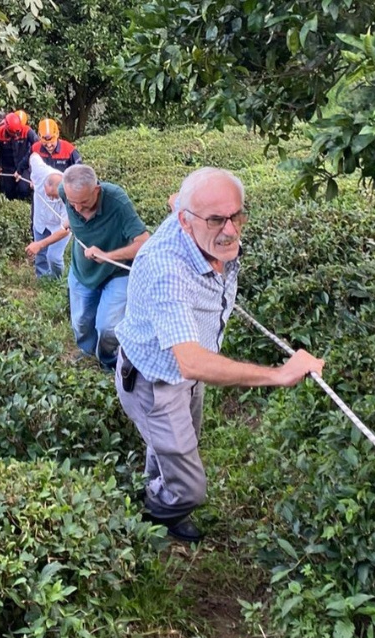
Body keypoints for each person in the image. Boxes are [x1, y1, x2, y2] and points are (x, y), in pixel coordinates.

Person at [114, 168, 325, 543]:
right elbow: (190, 361)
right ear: (186, 221)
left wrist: (199, 208)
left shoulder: (191, 219)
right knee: (192, 486)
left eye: (236, 215)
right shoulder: (168, 270)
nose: (229, 230)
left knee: (177, 447)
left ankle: (158, 489)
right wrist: (279, 374)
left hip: (186, 376)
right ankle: (154, 514)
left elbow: (178, 203)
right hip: (154, 380)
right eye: (215, 220)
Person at [59, 164, 150, 369]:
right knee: (81, 321)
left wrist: (108, 255)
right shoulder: (65, 192)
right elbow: (55, 189)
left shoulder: (117, 201)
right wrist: (69, 219)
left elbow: (144, 242)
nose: (78, 209)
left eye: (83, 202)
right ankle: (87, 350)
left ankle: (108, 360)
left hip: (117, 272)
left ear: (96, 190)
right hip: (83, 271)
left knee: (108, 327)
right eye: (73, 203)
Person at [25, 154, 71, 278]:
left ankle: (56, 280)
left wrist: (39, 244)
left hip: (59, 226)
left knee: (54, 257)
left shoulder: (69, 195)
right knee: (40, 255)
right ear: (45, 184)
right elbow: (33, 155)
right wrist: (31, 177)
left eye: (55, 195)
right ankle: (43, 279)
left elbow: (65, 230)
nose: (51, 198)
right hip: (40, 220)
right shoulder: (40, 172)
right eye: (49, 194)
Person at [0, 111, 37, 201]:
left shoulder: (27, 131)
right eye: (13, 133)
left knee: (24, 190)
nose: (15, 136)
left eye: (17, 133)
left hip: (23, 166)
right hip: (7, 167)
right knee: (8, 193)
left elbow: (37, 144)